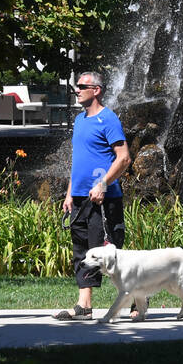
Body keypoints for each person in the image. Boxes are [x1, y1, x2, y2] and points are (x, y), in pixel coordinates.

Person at [55, 71, 131, 321]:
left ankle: (136, 295)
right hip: (79, 199)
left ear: (96, 90)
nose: (76, 90)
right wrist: (69, 194)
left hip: (103, 200)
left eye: (81, 86)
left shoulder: (108, 119)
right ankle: (83, 306)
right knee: (82, 252)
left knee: (109, 254)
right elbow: (77, 161)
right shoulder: (79, 120)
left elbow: (124, 158)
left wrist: (102, 184)